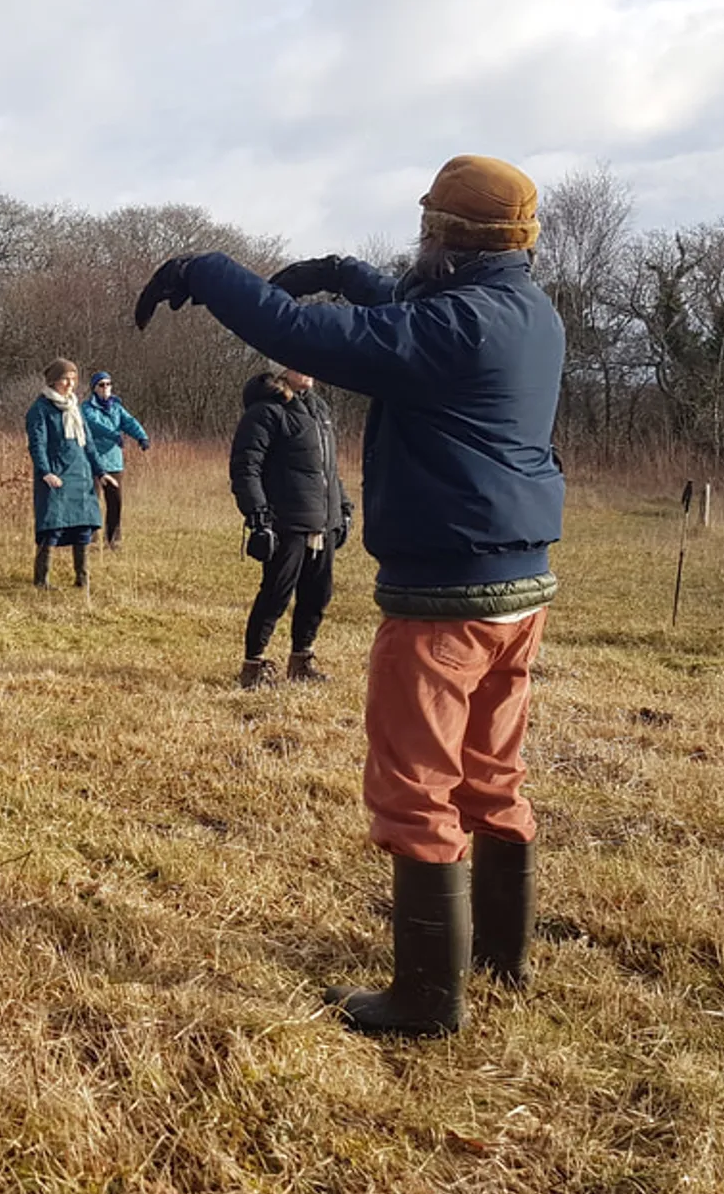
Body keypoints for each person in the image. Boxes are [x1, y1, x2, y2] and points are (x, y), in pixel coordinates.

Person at [134, 154, 563, 1038]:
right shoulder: (525, 311)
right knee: (492, 773)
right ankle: (499, 958)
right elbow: (408, 310)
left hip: (447, 595)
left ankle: (425, 1002)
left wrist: (208, 272)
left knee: (415, 786)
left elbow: (318, 340)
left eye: (428, 225)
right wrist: (339, 271)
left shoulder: (457, 325)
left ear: (443, 232)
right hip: (519, 589)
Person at [229, 367, 351, 688]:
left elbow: (327, 468)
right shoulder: (266, 411)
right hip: (286, 520)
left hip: (322, 520)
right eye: (298, 362)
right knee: (276, 594)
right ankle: (253, 665)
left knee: (317, 594)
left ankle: (301, 659)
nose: (308, 369)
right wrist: (257, 515)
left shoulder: (319, 409)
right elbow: (246, 466)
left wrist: (343, 507)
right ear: (282, 368)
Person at [25, 359, 104, 589]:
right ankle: (41, 580)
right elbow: (37, 444)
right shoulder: (39, 409)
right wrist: (45, 471)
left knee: (83, 527)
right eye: (65, 379)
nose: (70, 384)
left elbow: (88, 442)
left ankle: (82, 579)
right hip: (56, 475)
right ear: (53, 381)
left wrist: (99, 470)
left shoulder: (74, 407)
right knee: (52, 526)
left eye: (73, 379)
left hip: (81, 475)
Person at [80, 370, 150, 549]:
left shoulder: (117, 407)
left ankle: (113, 539)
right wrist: (113, 435)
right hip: (93, 461)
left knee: (115, 502)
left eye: (108, 384)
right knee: (91, 501)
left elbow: (129, 422)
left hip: (114, 462)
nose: (105, 388)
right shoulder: (87, 408)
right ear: (94, 388)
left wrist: (141, 436)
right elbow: (94, 425)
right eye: (101, 385)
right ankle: (90, 540)